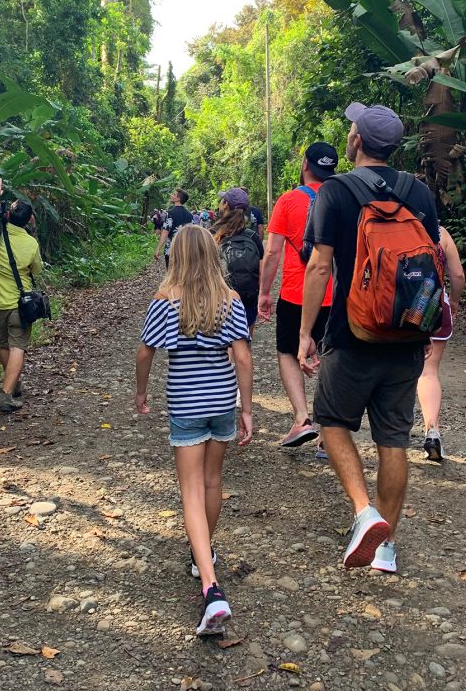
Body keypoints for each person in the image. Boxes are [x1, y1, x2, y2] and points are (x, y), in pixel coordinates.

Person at [299, 103, 440, 575]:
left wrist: (307, 332)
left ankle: (364, 512)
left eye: (351, 129)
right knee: (393, 438)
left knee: (332, 420)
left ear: (356, 141)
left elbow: (320, 265)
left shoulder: (335, 191)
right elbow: (431, 260)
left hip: (354, 331)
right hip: (407, 332)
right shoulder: (418, 191)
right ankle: (387, 549)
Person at [135, 226, 253, 637]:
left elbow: (146, 351)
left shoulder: (164, 302)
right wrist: (247, 409)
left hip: (185, 404)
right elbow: (242, 356)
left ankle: (210, 587)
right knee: (212, 481)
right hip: (221, 401)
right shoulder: (231, 300)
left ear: (177, 257)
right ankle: (202, 552)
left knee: (189, 491)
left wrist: (141, 394)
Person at [258, 143, 339, 448]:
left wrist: (265, 293)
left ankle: (302, 419)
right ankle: (330, 434)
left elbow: (273, 252)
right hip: (337, 295)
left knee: (287, 351)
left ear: (305, 164)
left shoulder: (289, 200)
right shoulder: (344, 198)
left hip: (297, 292)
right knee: (333, 357)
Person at [0, 182, 44, 412]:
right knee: (18, 347)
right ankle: (6, 393)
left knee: (3, 344)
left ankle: (12, 384)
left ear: (7, 213)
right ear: (28, 221)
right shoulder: (30, 244)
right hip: (20, 303)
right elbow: (37, 271)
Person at [418, 226, 465, 462]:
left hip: (392, 310)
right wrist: (454, 302)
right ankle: (432, 430)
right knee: (428, 373)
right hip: (432, 306)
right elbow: (457, 275)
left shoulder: (383, 224)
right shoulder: (439, 233)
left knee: (389, 370)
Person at [213, 187, 264, 334]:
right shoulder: (252, 237)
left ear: (225, 205)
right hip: (249, 296)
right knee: (245, 342)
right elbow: (261, 271)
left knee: (224, 344)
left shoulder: (213, 235)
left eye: (222, 201)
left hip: (220, 297)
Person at [154, 187, 192, 268]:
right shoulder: (190, 215)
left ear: (178, 199)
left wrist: (158, 248)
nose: (171, 195)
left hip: (171, 249)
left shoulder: (170, 213)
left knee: (172, 275)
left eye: (174, 194)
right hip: (186, 250)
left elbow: (165, 232)